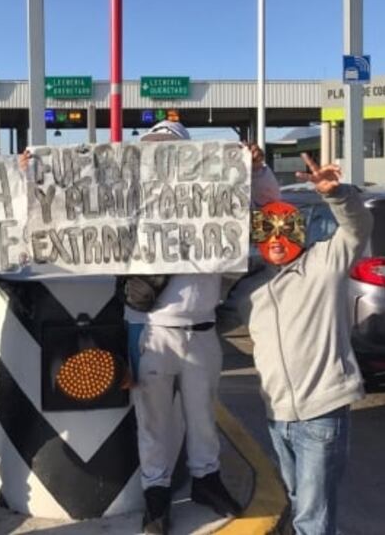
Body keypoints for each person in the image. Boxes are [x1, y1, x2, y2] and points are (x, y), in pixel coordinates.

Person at [121, 119, 280, 535]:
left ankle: (207, 481)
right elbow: (76, 212)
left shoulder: (217, 192)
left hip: (203, 327)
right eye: (153, 149)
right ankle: (155, 496)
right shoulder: (131, 195)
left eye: (170, 149)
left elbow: (269, 205)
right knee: (152, 421)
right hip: (147, 327)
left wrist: (257, 169)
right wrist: (36, 175)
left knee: (203, 416)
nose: (161, 157)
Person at [225, 153, 373, 535]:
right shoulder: (248, 290)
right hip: (278, 416)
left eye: (285, 228)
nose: (276, 239)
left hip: (321, 413)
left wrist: (336, 194)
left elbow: (357, 229)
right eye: (267, 231)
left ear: (300, 231)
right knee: (301, 503)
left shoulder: (324, 266)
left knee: (312, 514)